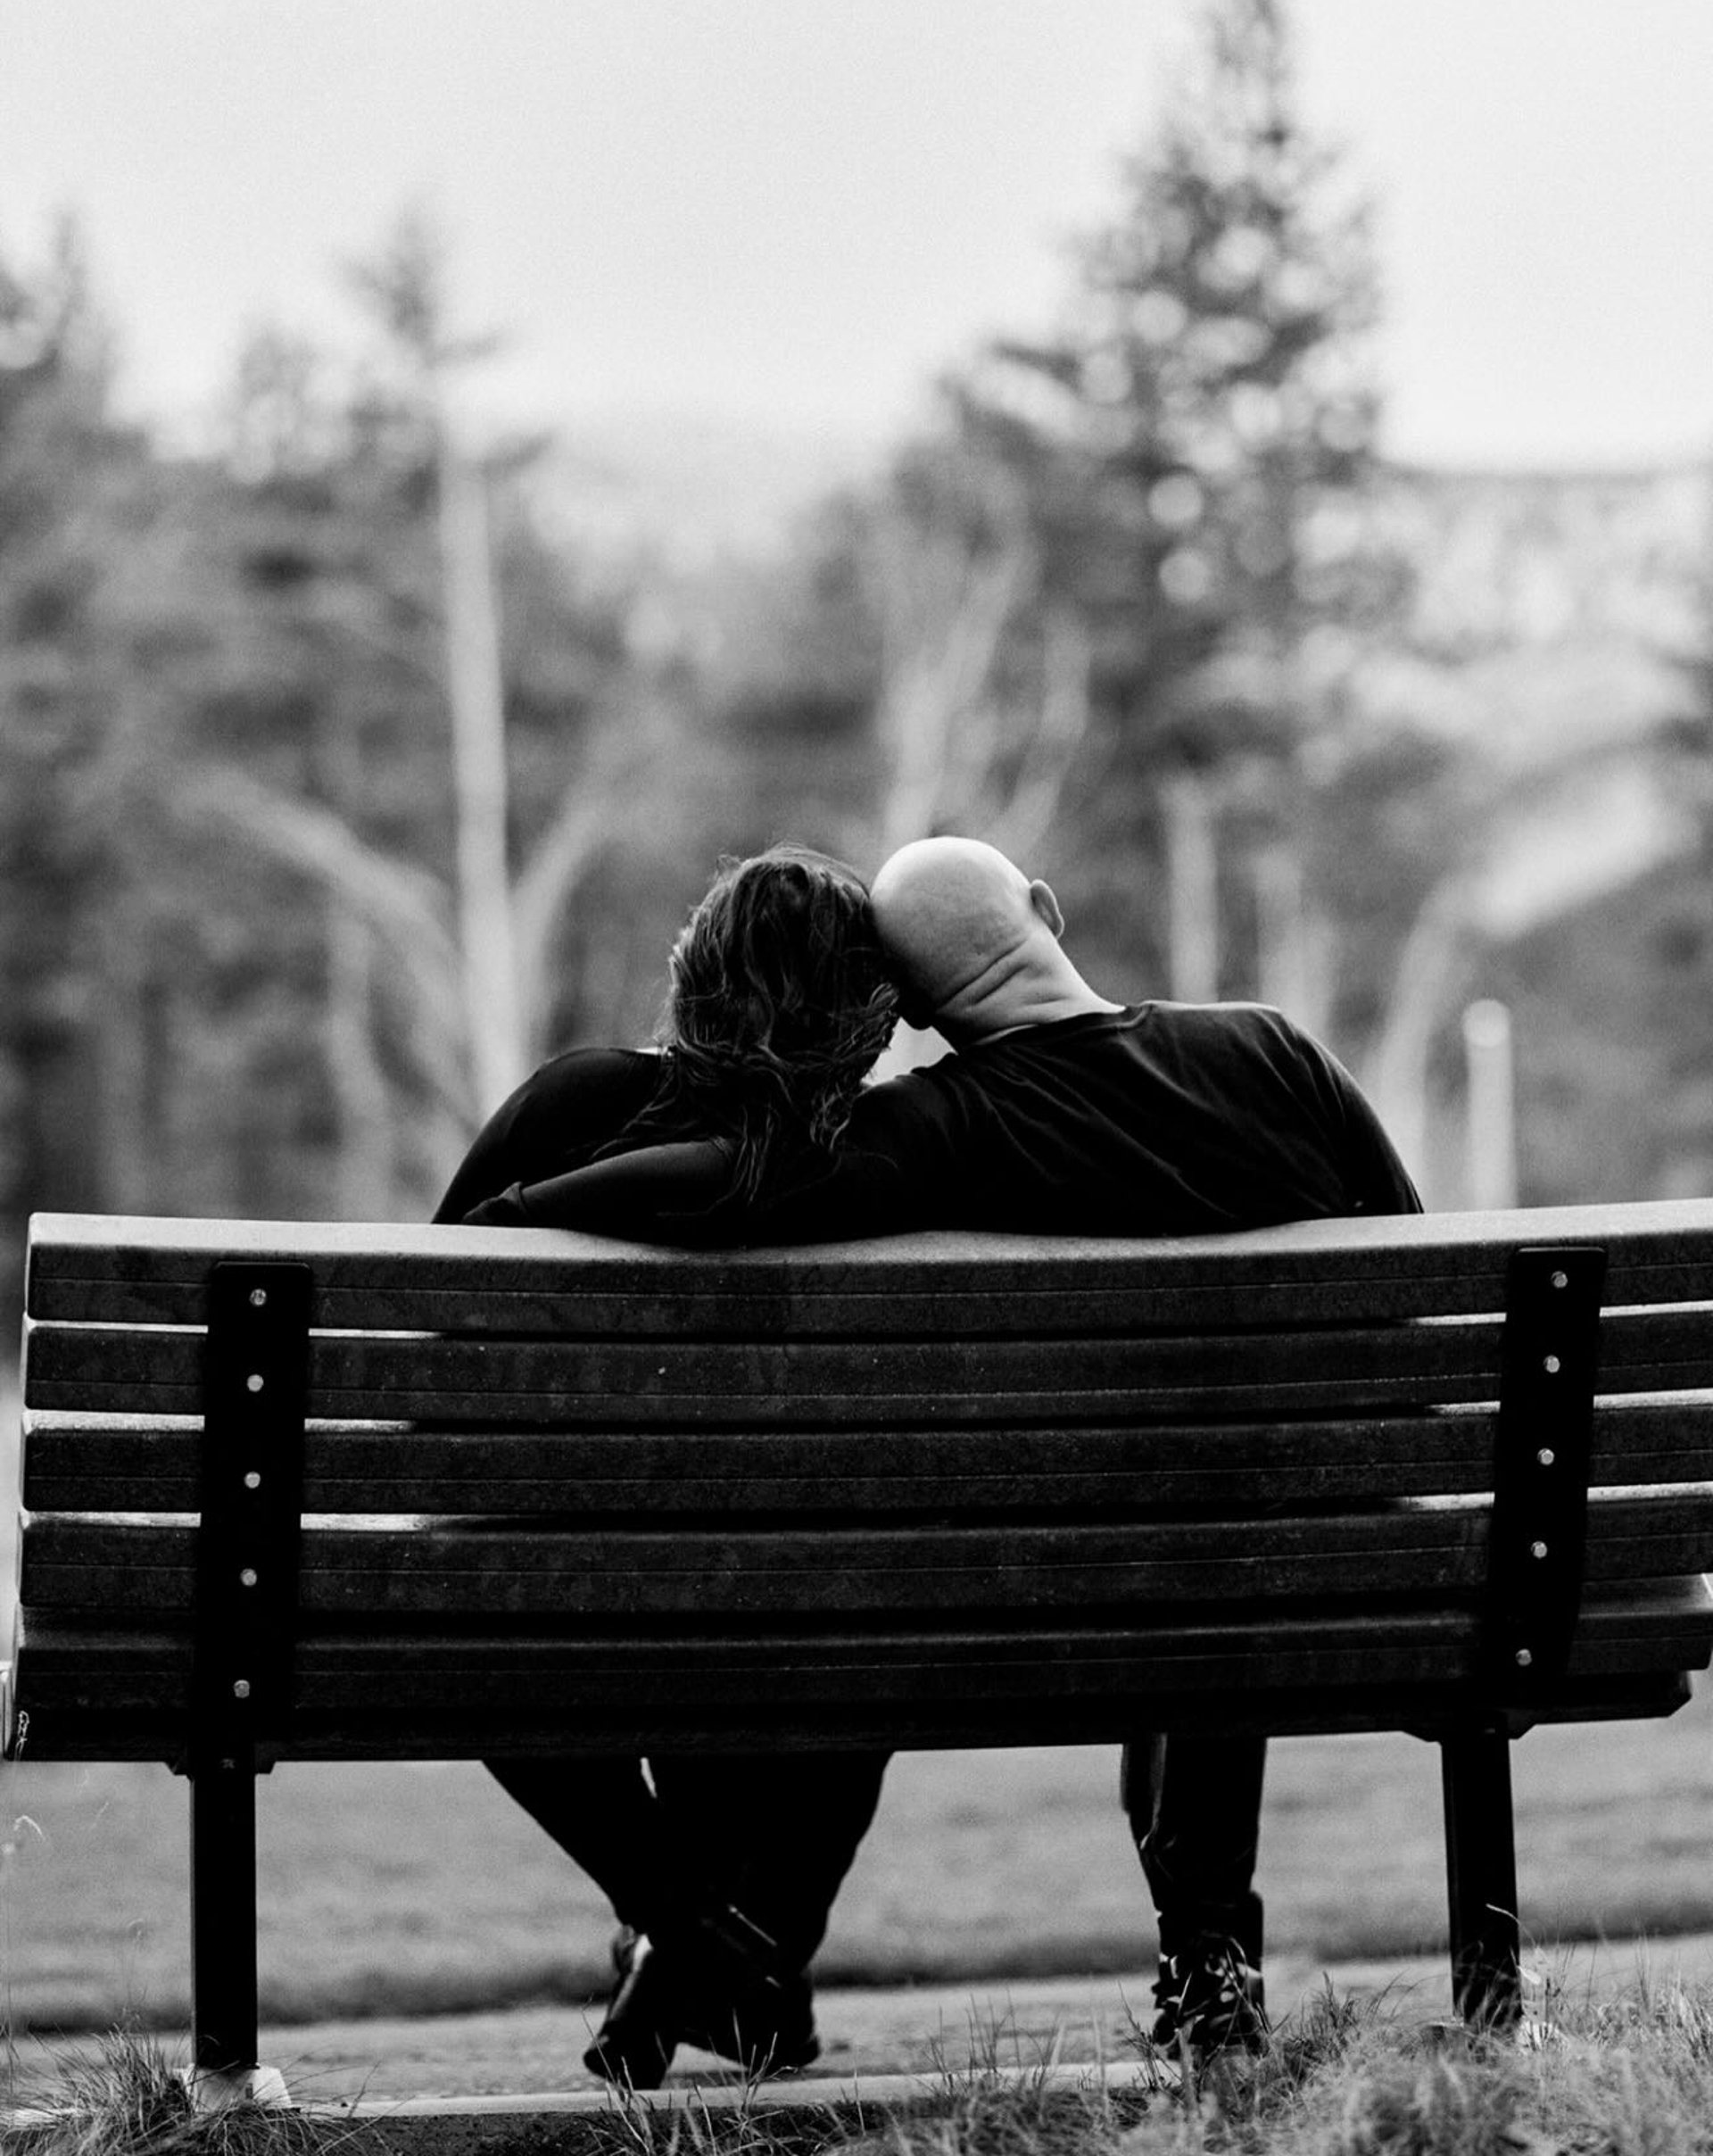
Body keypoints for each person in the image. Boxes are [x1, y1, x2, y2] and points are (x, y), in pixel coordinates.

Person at [459, 835, 1422, 2064]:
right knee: (1214, 1544)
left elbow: (743, 1181)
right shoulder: (1277, 1052)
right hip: (1371, 1564)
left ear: (910, 1010)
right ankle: (1210, 1974)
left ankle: (707, 1945)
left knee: (1173, 1551)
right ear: (1045, 908)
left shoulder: (944, 1129)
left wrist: (534, 1213)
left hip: (1089, 1585)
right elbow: (1410, 1265)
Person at [434, 843, 899, 2088]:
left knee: (493, 1611)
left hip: (570, 1599)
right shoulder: (893, 1163)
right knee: (854, 1619)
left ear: (689, 974)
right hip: (813, 1610)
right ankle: (742, 1962)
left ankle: (689, 1931)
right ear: (871, 1015)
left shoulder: (571, 1107)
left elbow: (428, 1353)